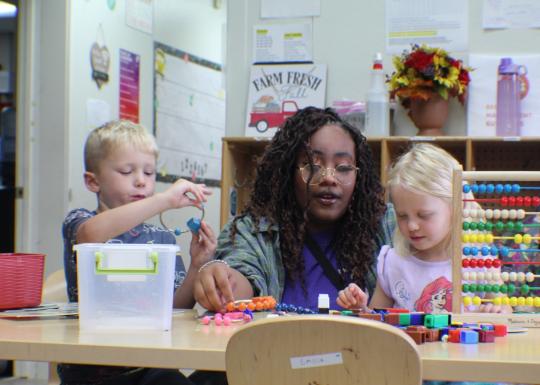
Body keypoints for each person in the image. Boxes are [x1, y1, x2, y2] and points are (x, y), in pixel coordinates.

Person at [337, 143, 511, 385]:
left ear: (455, 208)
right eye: (402, 215)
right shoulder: (393, 261)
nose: (412, 226)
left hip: (468, 371)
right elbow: (378, 321)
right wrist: (361, 309)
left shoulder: (478, 260)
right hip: (412, 371)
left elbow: (506, 314)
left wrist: (497, 312)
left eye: (424, 215)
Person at [193, 106, 395, 313]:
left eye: (343, 167)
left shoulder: (386, 225)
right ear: (288, 172)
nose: (329, 178)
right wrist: (222, 279)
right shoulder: (253, 230)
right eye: (312, 166)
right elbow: (242, 273)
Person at [60, 120, 214, 385]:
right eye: (127, 171)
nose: (141, 181)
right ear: (92, 181)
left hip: (149, 365)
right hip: (94, 370)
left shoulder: (161, 238)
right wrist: (164, 199)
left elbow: (175, 308)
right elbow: (89, 236)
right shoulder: (80, 221)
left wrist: (196, 265)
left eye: (150, 173)